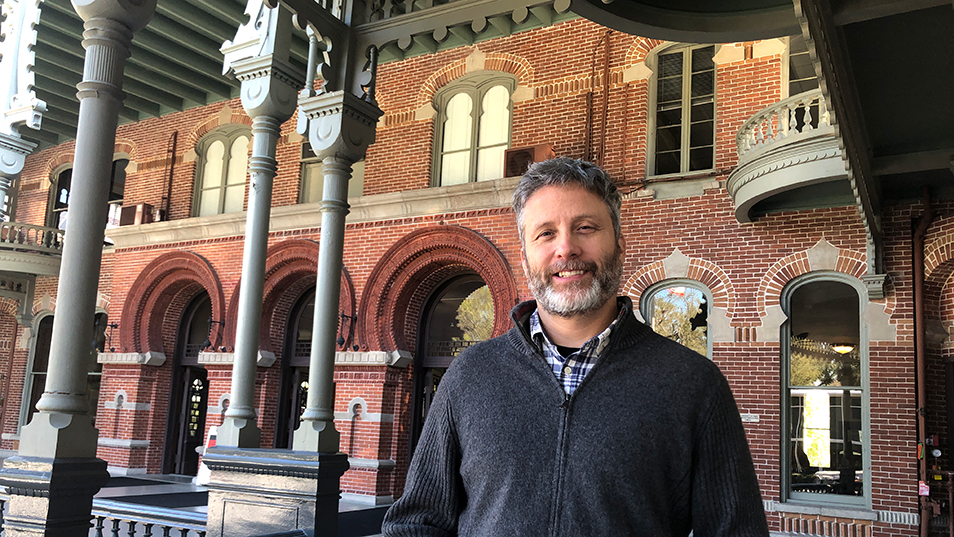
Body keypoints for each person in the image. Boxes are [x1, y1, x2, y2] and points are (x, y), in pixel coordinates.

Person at [382, 157, 768, 536]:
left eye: (585, 227)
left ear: (618, 244)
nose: (566, 248)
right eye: (545, 233)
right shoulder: (469, 375)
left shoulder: (693, 384)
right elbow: (417, 523)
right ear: (525, 256)